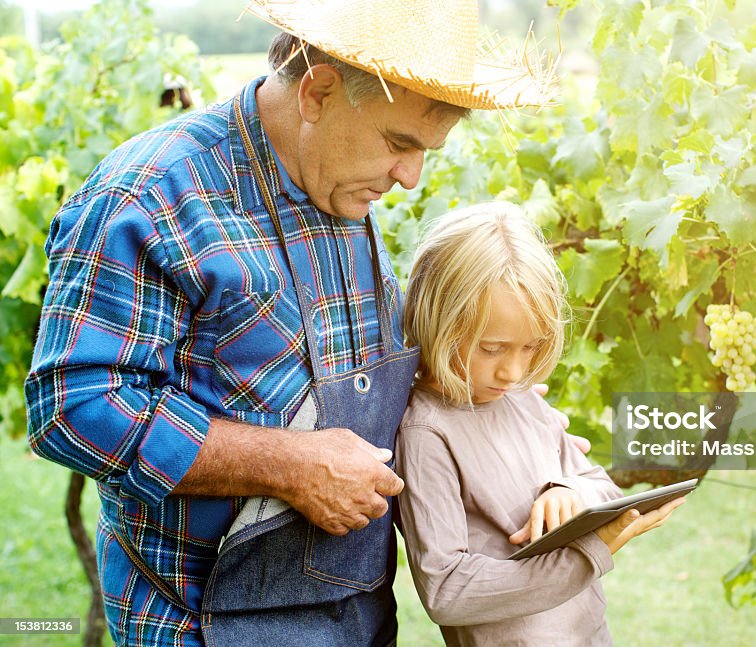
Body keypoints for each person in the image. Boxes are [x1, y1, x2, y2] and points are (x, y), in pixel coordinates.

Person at [24, 1, 559, 645]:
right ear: (318, 91)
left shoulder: (336, 179)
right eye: (400, 145)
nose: (412, 178)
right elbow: (72, 408)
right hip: (203, 628)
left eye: (427, 152)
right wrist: (289, 465)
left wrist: (520, 437)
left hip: (355, 621)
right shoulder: (149, 197)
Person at [396, 202, 686, 645]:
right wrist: (589, 554)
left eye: (530, 348)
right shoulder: (427, 433)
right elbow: (447, 589)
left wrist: (571, 490)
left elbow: (600, 483)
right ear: (438, 319)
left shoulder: (524, 402)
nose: (512, 372)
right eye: (492, 348)